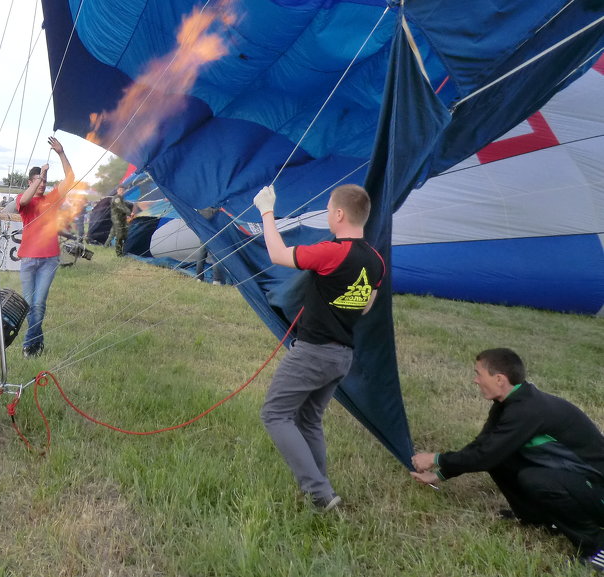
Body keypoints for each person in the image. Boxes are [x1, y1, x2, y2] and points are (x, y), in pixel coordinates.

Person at [253, 182, 386, 511]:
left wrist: (266, 211)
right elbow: (367, 305)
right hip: (342, 357)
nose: (328, 215)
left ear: (339, 214)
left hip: (314, 352)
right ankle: (322, 490)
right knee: (309, 420)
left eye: (328, 209)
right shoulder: (376, 260)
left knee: (275, 414)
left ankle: (318, 492)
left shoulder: (332, 251)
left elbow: (278, 255)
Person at [411, 348, 604, 570]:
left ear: (499, 378)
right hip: (582, 482)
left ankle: (597, 548)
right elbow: (483, 447)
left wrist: (436, 458)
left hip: (599, 490)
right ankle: (536, 517)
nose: (475, 380)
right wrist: (440, 474)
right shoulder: (508, 403)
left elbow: (484, 455)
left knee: (536, 479)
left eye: (478, 373)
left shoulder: (529, 410)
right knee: (501, 457)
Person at [16, 136, 74, 358]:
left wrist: (61, 153)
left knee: (39, 303)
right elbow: (22, 201)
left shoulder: (52, 198)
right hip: (28, 260)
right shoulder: (26, 200)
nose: (42, 183)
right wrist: (39, 174)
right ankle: (37, 342)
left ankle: (29, 345)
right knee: (28, 304)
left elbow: (70, 178)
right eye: (38, 180)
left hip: (49, 258)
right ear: (30, 181)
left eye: (44, 180)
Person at [107, 186, 135, 256]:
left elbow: (125, 204)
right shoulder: (117, 198)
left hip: (121, 219)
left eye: (123, 190)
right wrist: (129, 213)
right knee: (120, 235)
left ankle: (106, 246)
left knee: (114, 233)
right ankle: (119, 253)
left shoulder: (121, 198)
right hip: (117, 219)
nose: (122, 191)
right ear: (118, 190)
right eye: (121, 190)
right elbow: (121, 207)